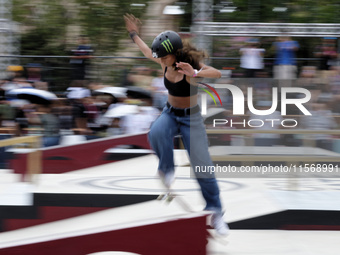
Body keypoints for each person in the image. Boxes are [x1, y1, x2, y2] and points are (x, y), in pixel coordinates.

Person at [124, 14, 229, 235]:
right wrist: (133, 33)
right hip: (170, 113)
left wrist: (196, 73)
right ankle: (167, 168)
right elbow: (145, 50)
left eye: (163, 58)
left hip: (191, 119)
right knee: (156, 132)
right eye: (159, 58)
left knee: (203, 166)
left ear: (175, 53)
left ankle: (216, 211)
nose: (160, 61)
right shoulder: (163, 60)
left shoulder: (189, 64)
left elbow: (217, 73)